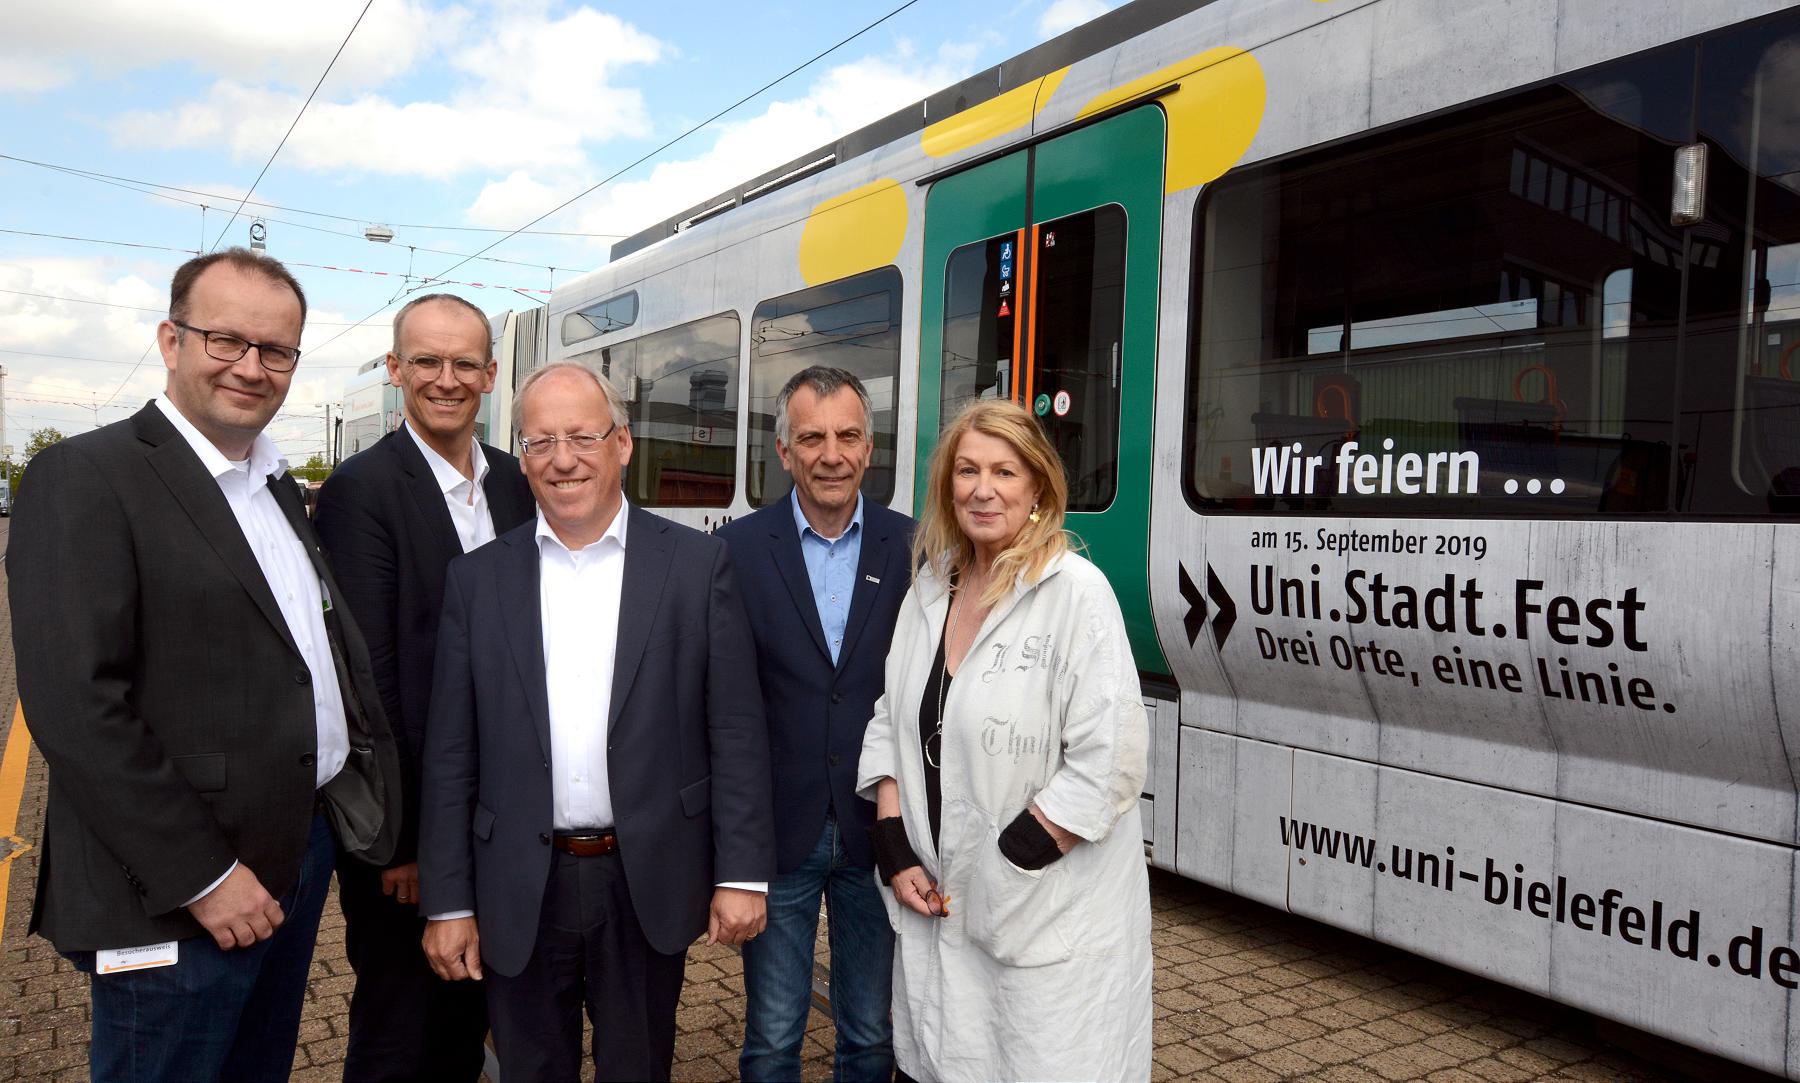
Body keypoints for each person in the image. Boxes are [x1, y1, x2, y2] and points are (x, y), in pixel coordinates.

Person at [9, 248, 402, 1083]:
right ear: (171, 339)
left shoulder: (273, 485)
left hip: (296, 856)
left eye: (276, 350)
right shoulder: (84, 477)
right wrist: (205, 877)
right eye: (227, 340)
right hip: (181, 891)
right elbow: (78, 707)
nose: (252, 367)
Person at [417, 359, 776, 1081]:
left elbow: (735, 729)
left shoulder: (697, 567)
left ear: (624, 443)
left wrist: (742, 873)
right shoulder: (477, 580)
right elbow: (451, 753)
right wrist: (448, 900)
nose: (563, 459)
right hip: (519, 880)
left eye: (582, 436)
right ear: (521, 459)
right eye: (541, 441)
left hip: (645, 879)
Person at [856, 399, 1153, 1082]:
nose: (982, 488)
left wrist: (1009, 861)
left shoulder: (1075, 593)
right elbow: (890, 714)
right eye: (966, 470)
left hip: (1042, 914)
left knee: (1034, 1059)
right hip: (936, 901)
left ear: (1038, 488)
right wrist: (893, 840)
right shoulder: (932, 586)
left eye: (1004, 471)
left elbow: (1109, 760)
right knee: (945, 1057)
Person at [313, 293, 534, 1082]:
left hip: (500, 812)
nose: (447, 379)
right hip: (406, 830)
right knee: (399, 1025)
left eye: (464, 363)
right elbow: (372, 682)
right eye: (428, 362)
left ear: (491, 374)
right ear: (396, 369)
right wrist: (408, 846)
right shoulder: (360, 490)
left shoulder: (515, 482)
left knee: (468, 1012)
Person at [718, 367, 913, 1081]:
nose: (831, 453)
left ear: (869, 447)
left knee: (870, 1032)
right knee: (772, 1036)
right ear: (783, 450)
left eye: (848, 435)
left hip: (877, 830)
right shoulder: (736, 550)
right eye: (812, 437)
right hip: (779, 832)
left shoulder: (913, 547)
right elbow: (725, 704)